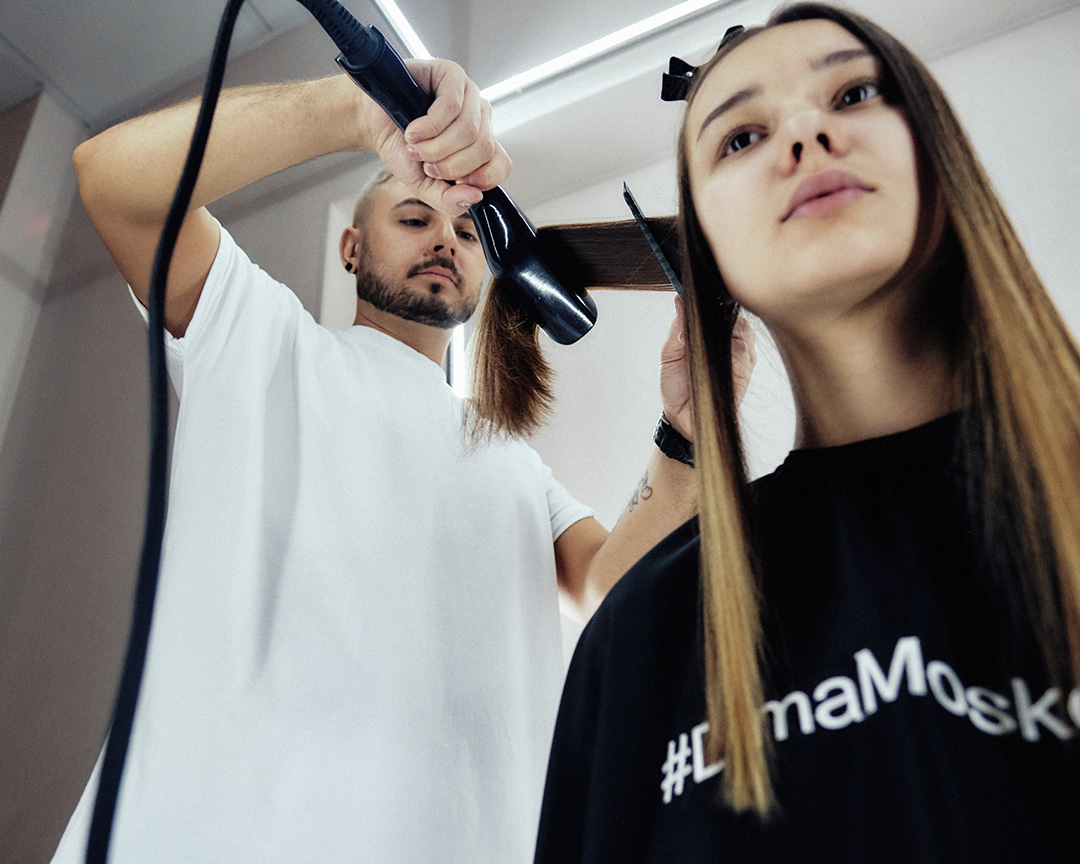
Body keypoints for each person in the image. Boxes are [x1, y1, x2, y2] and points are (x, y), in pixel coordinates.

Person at [51, 59, 710, 864]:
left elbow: (614, 587)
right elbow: (113, 181)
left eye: (466, 232)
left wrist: (686, 432)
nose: (444, 238)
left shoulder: (512, 462)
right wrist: (356, 111)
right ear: (351, 246)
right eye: (413, 217)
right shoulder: (260, 343)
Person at [531, 4, 1080, 862]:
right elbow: (601, 586)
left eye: (853, 94)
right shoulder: (647, 629)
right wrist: (687, 429)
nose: (803, 136)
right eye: (740, 137)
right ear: (707, 251)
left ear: (936, 153)